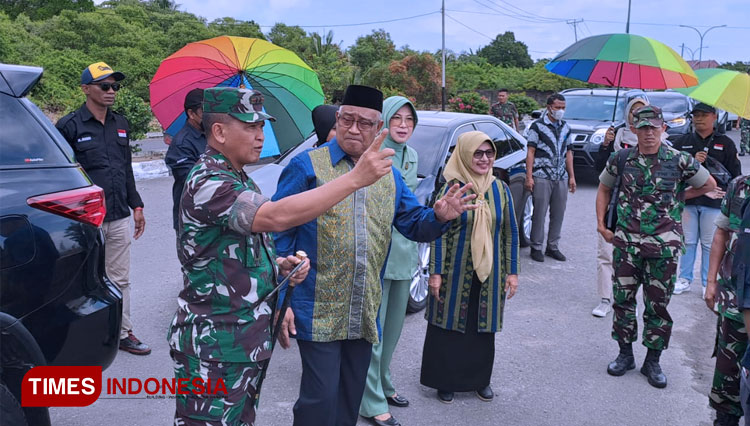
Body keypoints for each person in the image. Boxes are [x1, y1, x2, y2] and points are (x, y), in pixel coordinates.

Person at [168, 86, 400, 426]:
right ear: (218, 131)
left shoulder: (236, 176)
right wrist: (354, 179)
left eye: (262, 126)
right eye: (250, 127)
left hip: (238, 343)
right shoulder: (210, 180)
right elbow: (276, 217)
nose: (261, 136)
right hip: (213, 345)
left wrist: (277, 266)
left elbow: (231, 251)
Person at [272, 85, 478, 426]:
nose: (354, 129)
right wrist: (284, 298)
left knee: (350, 397)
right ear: (337, 120)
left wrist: (440, 216)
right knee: (319, 399)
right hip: (316, 306)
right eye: (348, 120)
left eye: (364, 123)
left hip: (364, 307)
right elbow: (278, 232)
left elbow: (413, 224)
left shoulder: (389, 174)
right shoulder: (307, 166)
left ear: (377, 128)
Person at [596, 105, 716, 389]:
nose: (649, 133)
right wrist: (601, 225)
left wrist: (680, 196)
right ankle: (625, 355)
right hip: (626, 244)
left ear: (663, 129)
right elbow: (603, 188)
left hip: (663, 246)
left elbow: (709, 184)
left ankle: (653, 360)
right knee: (623, 301)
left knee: (657, 305)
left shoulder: (679, 160)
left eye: (654, 127)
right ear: (635, 130)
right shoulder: (621, 158)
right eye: (643, 128)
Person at [56, 62, 150, 355]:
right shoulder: (68, 126)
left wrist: (137, 205)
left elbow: (126, 169)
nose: (111, 91)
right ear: (86, 89)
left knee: (119, 277)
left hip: (120, 214)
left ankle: (122, 332)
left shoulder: (120, 123)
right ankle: (74, 335)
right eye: (104, 86)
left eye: (115, 86)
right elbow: (62, 176)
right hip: (84, 219)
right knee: (80, 277)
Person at [420, 131, 520, 404]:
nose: (484, 159)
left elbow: (510, 232)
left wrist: (512, 272)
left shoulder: (500, 189)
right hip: (454, 270)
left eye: (489, 153)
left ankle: (479, 380)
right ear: (464, 154)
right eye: (478, 153)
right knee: (448, 326)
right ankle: (445, 381)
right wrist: (436, 272)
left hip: (490, 272)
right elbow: (437, 232)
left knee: (482, 327)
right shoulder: (451, 188)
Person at [359, 96, 419, 426]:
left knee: (394, 328)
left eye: (409, 120)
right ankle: (370, 400)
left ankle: (384, 381)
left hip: (404, 253)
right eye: (396, 118)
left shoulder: (412, 156)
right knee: (374, 330)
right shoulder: (374, 156)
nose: (403, 125)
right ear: (383, 121)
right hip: (377, 253)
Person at [672, 103, 742, 296]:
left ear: (714, 117)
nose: (699, 119)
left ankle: (707, 281)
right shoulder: (682, 142)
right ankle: (684, 278)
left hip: (714, 202)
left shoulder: (725, 143)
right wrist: (693, 161)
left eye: (704, 115)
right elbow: (671, 173)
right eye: (696, 115)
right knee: (688, 241)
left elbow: (736, 175)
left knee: (709, 243)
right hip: (689, 200)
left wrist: (726, 195)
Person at [592, 97, 648, 318]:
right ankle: (605, 298)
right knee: (606, 254)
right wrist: (606, 144)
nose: (637, 116)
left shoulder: (658, 140)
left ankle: (626, 298)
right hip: (615, 204)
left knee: (635, 259)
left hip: (644, 211)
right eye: (633, 111)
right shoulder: (616, 135)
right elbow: (600, 172)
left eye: (642, 111)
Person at [705, 174, 750, 426]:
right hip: (733, 299)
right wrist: (711, 282)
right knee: (727, 379)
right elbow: (721, 233)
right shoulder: (739, 185)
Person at [524, 93, 576, 262]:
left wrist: (571, 177)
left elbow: (569, 153)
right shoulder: (536, 127)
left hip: (560, 176)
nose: (560, 111)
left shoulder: (566, 127)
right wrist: (529, 176)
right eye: (557, 107)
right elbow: (530, 152)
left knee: (558, 213)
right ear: (549, 107)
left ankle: (552, 246)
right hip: (541, 175)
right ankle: (536, 246)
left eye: (563, 108)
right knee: (539, 213)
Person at [165, 88, 206, 234]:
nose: (209, 116)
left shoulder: (214, 135)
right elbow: (194, 181)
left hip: (212, 217)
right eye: (204, 111)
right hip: (192, 220)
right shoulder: (182, 143)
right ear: (191, 113)